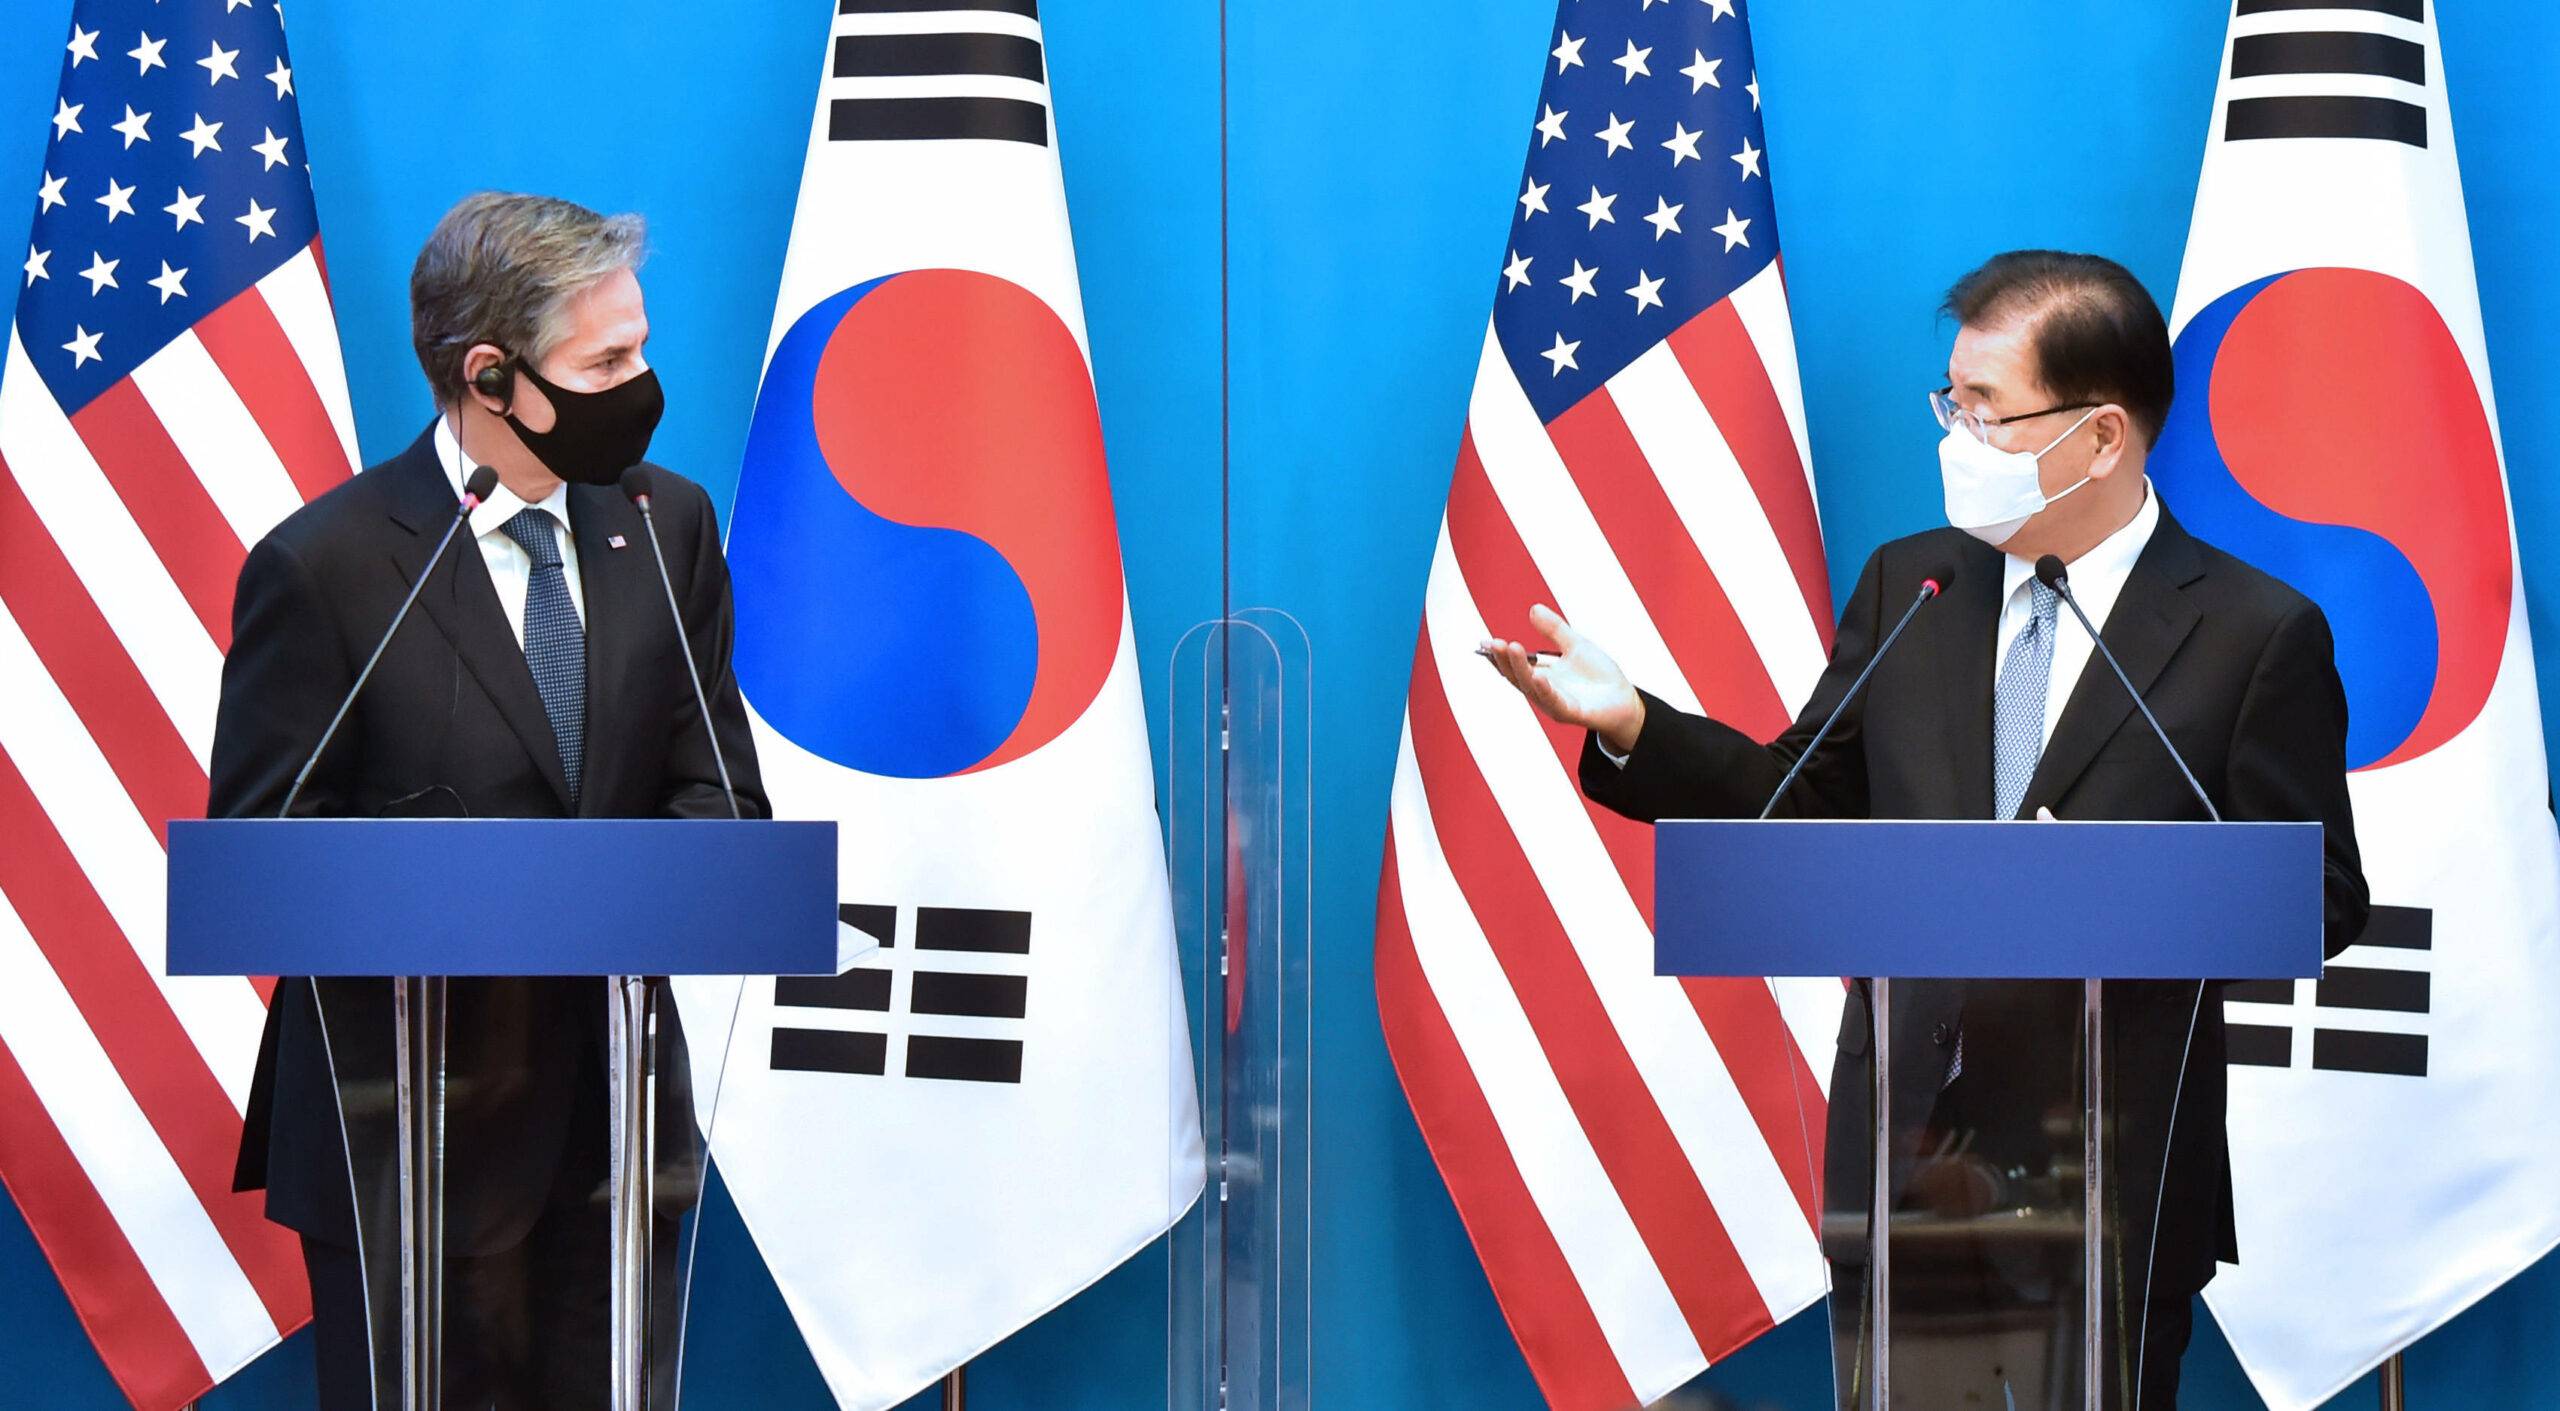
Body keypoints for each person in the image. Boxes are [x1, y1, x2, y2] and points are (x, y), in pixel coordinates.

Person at [1481, 250, 2368, 1409]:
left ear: (2102, 437)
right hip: (1902, 1172)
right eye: (1950, 400)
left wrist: (2111, 888)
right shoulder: (1915, 586)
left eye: (1988, 410)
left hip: (2109, 1186)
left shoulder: (2253, 633)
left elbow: (2319, 899)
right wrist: (1635, 725)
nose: (1956, 435)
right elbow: (1796, 806)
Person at [207, 191, 765, 1408]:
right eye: (607, 359)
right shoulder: (329, 565)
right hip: (407, 1131)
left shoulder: (665, 528)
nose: (643, 379)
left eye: (641, 346)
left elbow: (719, 795)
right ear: (491, 376)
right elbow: (263, 854)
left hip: (617, 1132)